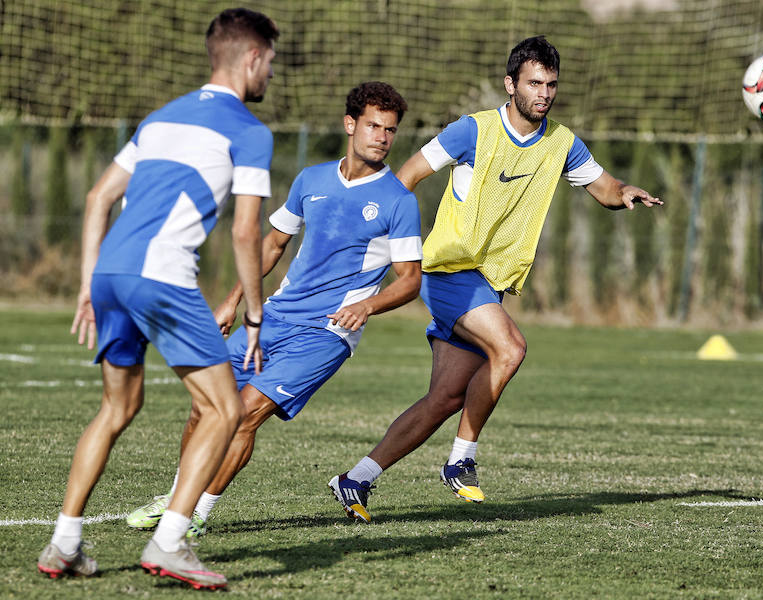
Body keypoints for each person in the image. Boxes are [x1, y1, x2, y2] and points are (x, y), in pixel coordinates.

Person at [329, 36, 662, 524]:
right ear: (510, 85)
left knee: (443, 399)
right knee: (511, 348)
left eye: (551, 84)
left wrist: (624, 192)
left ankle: (356, 477)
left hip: (489, 284)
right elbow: (408, 176)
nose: (544, 93)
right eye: (533, 83)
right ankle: (461, 459)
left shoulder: (562, 142)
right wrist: (381, 237)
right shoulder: (473, 131)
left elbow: (604, 188)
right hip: (447, 270)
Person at [37, 8, 279, 590]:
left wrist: (87, 286)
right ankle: (170, 543)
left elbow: (98, 198)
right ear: (251, 59)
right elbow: (247, 233)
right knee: (226, 411)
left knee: (117, 409)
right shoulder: (249, 131)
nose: (271, 73)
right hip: (164, 277)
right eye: (271, 62)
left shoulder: (160, 118)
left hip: (112, 273)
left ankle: (64, 543)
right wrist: (253, 310)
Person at [124, 82, 422, 537]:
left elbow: (410, 279)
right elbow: (273, 244)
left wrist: (369, 304)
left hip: (326, 333)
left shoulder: (398, 199)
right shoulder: (311, 179)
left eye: (390, 130)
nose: (382, 137)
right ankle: (177, 496)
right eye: (373, 126)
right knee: (206, 406)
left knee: (245, 412)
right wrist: (232, 300)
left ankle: (197, 512)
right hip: (274, 315)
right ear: (350, 125)